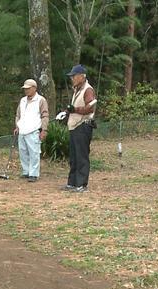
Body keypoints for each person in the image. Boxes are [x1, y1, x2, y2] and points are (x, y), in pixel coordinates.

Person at [62, 64, 97, 193]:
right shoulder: (77, 89)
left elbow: (90, 107)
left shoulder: (88, 90)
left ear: (82, 76)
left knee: (81, 156)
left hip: (83, 126)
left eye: (74, 76)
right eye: (72, 76)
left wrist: (74, 109)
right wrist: (66, 113)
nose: (72, 79)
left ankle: (81, 184)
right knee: (74, 156)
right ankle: (72, 183)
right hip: (75, 126)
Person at [14, 79, 49, 182]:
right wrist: (17, 126)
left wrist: (44, 129)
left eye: (28, 88)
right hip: (22, 131)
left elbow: (45, 115)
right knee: (23, 152)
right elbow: (18, 115)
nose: (26, 90)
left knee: (34, 153)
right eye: (25, 89)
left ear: (34, 88)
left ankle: (33, 174)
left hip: (33, 130)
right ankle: (26, 171)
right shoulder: (22, 100)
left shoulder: (41, 100)